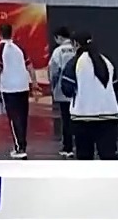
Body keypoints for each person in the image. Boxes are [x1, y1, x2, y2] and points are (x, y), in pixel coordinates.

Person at [60, 30, 118, 160]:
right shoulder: (107, 62)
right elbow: (115, 86)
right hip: (109, 115)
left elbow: (67, 89)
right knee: (109, 156)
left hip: (83, 116)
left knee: (85, 157)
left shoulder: (74, 63)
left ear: (76, 44)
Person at [0, 23, 37, 159]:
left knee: (14, 118)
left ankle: (20, 148)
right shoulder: (20, 47)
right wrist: (34, 83)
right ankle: (22, 144)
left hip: (9, 88)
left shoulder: (0, 48)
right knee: (23, 117)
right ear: (12, 33)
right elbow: (30, 66)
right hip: (23, 86)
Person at [48, 27, 78, 158]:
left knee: (66, 119)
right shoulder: (77, 49)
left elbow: (54, 70)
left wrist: (53, 86)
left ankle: (68, 147)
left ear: (59, 37)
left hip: (64, 89)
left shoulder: (58, 51)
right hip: (79, 90)